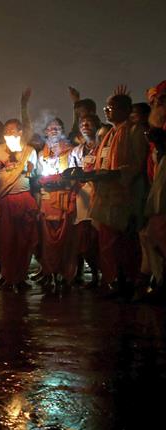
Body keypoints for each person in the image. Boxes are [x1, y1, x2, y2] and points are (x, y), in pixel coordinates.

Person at [89, 86, 149, 297]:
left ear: (124, 110)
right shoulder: (110, 133)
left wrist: (114, 175)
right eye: (106, 107)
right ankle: (112, 280)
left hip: (124, 197)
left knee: (123, 244)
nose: (107, 111)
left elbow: (136, 164)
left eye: (111, 107)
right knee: (107, 242)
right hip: (106, 196)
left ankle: (126, 282)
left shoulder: (133, 131)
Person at [0, 119, 39, 291]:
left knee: (24, 240)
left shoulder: (29, 151)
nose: (9, 134)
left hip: (24, 198)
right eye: (6, 131)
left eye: (13, 130)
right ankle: (7, 276)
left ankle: (21, 277)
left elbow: (35, 177)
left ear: (20, 133)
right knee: (6, 240)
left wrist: (31, 170)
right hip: (5, 199)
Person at [37, 118, 76, 289]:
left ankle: (64, 273)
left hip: (64, 199)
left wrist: (62, 182)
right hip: (47, 200)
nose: (53, 131)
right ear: (45, 132)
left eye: (57, 128)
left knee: (64, 238)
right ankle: (49, 272)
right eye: (50, 128)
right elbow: (37, 178)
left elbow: (75, 176)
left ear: (62, 131)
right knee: (47, 239)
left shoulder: (71, 152)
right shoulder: (41, 154)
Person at [68, 114, 103, 287]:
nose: (85, 126)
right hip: (82, 198)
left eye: (89, 123)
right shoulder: (76, 151)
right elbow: (72, 172)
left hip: (101, 195)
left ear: (97, 125)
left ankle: (102, 275)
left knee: (98, 236)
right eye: (82, 124)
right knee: (83, 238)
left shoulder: (104, 146)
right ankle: (88, 272)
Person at [139, 80, 166, 299]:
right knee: (151, 233)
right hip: (157, 187)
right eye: (154, 101)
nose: (156, 104)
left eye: (161, 100)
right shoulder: (156, 127)